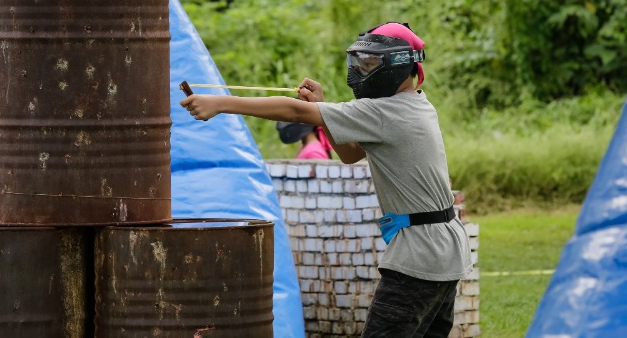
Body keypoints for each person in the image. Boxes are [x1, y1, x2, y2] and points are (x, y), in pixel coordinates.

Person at [180, 22, 473, 337]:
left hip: (420, 253)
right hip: (445, 249)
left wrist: (221, 103)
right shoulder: (415, 103)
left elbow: (295, 113)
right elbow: (350, 153)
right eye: (359, 62)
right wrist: (321, 106)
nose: (360, 71)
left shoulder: (386, 111)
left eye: (370, 63)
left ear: (398, 65)